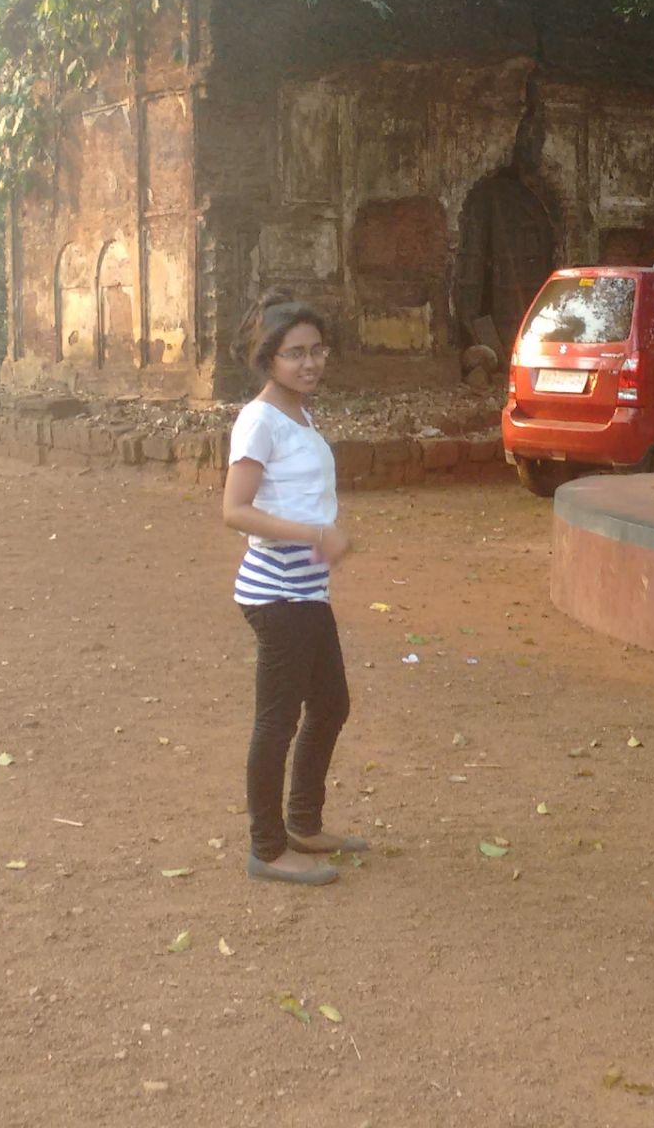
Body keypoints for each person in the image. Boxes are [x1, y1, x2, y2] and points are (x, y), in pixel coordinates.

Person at [223, 291, 366, 886]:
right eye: (295, 354)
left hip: (308, 592)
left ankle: (303, 822)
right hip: (278, 594)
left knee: (331, 705)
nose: (310, 364)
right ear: (268, 358)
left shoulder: (300, 414)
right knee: (275, 722)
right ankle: (266, 846)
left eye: (316, 351)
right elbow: (235, 510)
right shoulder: (260, 419)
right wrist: (315, 533)